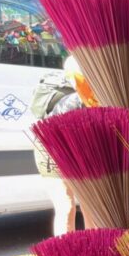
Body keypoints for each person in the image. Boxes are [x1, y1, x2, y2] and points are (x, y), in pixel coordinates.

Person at [30, 56, 83, 236]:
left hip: (75, 150)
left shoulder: (91, 97)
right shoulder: (73, 102)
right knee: (66, 205)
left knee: (90, 205)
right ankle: (67, 255)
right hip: (51, 152)